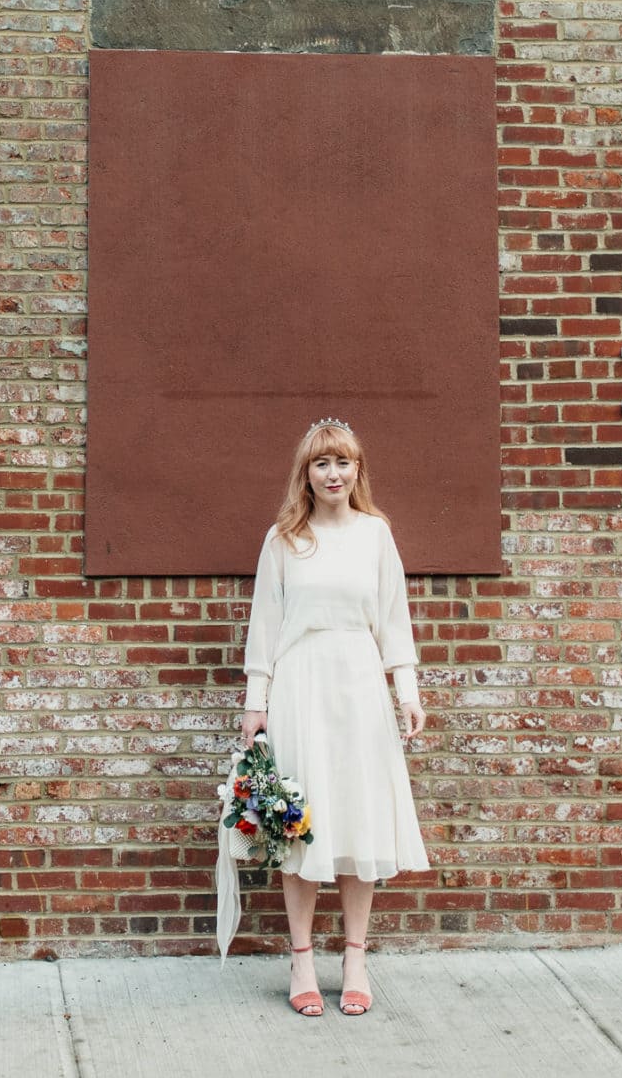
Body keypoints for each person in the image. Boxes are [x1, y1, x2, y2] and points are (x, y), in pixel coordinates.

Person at [239, 416, 427, 1018]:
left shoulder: (376, 535)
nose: (333, 473)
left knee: (358, 821)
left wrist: (408, 692)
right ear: (307, 474)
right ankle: (299, 959)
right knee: (301, 827)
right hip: (301, 686)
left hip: (358, 688)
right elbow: (264, 626)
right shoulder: (283, 539)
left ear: (358, 470)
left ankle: (354, 958)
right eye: (322, 463)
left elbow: (393, 622)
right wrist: (256, 702)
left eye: (343, 461)